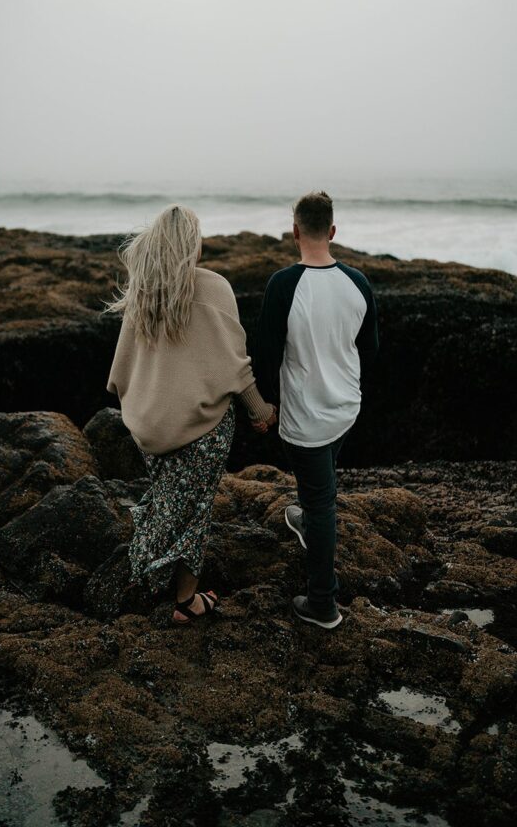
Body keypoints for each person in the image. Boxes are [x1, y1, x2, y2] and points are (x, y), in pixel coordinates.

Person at [104, 204, 276, 625]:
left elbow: (122, 369)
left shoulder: (143, 292)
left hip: (149, 427)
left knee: (172, 502)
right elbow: (233, 365)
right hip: (202, 430)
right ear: (189, 245)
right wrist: (260, 411)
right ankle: (183, 600)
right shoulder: (213, 287)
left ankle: (163, 576)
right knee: (193, 510)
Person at [254, 190, 379, 629]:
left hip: (306, 417)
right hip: (345, 407)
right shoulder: (358, 282)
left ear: (294, 232)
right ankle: (307, 516)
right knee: (319, 483)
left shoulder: (283, 285)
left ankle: (323, 603)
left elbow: (266, 355)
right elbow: (369, 349)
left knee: (323, 501)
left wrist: (265, 406)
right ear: (331, 231)